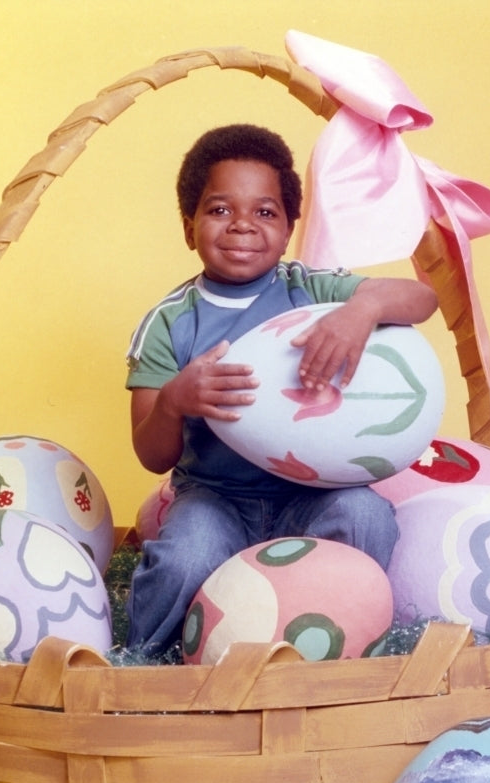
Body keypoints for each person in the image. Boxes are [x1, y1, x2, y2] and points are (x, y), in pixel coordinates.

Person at [124, 123, 438, 658]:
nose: (242, 225)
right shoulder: (169, 322)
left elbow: (421, 297)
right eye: (220, 210)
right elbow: (152, 456)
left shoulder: (309, 288)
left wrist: (363, 309)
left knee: (365, 515)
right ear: (188, 226)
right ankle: (139, 665)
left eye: (265, 212)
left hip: (310, 495)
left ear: (291, 226)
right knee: (186, 554)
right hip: (216, 499)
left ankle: (360, 658)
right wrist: (176, 400)